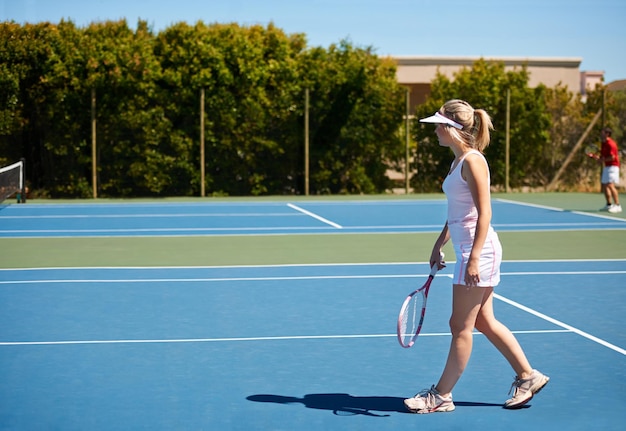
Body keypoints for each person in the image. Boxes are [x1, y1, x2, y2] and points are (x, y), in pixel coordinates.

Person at [404, 99, 549, 414]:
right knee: (483, 320)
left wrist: (472, 258)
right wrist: (439, 243)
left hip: (478, 252)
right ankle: (528, 376)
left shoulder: (474, 161)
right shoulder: (458, 162)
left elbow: (485, 213)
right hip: (468, 250)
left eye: (438, 125)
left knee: (460, 325)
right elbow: (458, 211)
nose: (435, 131)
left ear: (452, 128)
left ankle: (441, 395)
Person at [591, 127, 621, 213]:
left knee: (610, 185)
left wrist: (602, 160)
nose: (601, 134)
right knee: (605, 185)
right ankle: (609, 205)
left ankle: (618, 205)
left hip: (613, 166)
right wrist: (598, 158)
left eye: (603, 132)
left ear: (607, 134)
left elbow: (612, 157)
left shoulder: (611, 144)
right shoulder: (603, 143)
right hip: (607, 166)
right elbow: (603, 156)